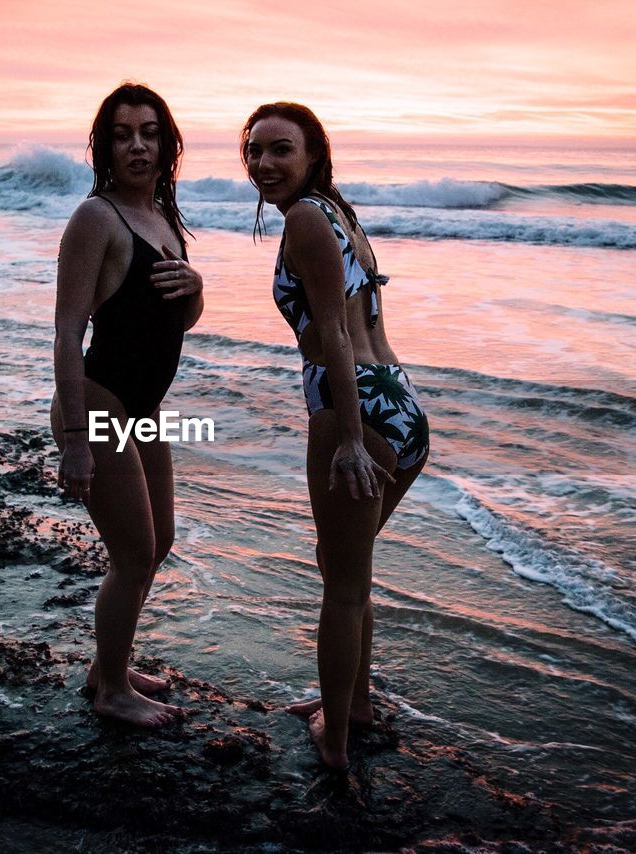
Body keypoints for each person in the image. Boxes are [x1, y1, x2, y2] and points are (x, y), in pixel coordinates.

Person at [241, 103, 429, 768]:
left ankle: (337, 741)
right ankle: (352, 700)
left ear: (311, 156)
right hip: (399, 406)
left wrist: (349, 436)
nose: (263, 163)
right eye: (254, 149)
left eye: (279, 150)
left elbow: (339, 337)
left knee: (343, 587)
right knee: (346, 572)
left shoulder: (303, 219)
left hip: (354, 411)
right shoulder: (340, 214)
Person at [51, 83, 204, 727]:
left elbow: (179, 319)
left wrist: (198, 289)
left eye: (149, 132)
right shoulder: (97, 218)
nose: (137, 144)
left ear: (167, 144)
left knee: (157, 540)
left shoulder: (164, 218)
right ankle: (112, 691)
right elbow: (66, 331)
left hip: (144, 409)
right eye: (122, 133)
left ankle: (104, 666)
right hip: (100, 406)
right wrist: (77, 441)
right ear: (104, 146)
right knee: (134, 554)